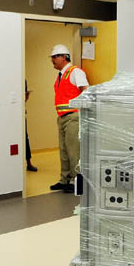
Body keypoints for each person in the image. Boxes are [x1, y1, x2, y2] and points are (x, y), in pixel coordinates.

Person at [49, 44, 88, 193]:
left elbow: (86, 90)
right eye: (52, 57)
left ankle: (75, 181)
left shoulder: (75, 72)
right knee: (64, 151)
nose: (52, 60)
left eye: (54, 57)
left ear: (64, 57)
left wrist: (82, 111)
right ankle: (64, 179)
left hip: (73, 117)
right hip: (62, 118)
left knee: (74, 151)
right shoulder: (60, 76)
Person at [24, 80, 37, 172]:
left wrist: (26, 96)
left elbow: (24, 99)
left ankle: (29, 163)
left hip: (22, 114)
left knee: (25, 138)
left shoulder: (23, 80)